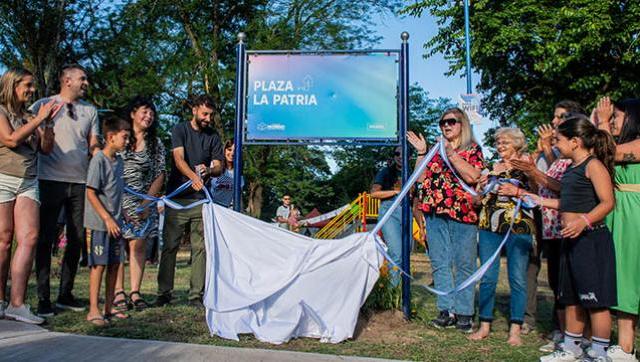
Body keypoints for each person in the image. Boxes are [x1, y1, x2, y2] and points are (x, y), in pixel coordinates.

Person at [527, 115, 617, 362]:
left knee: (596, 301)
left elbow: (608, 202)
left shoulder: (593, 165)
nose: (555, 145)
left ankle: (599, 352)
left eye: (559, 140)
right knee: (571, 298)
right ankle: (572, 348)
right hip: (571, 242)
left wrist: (583, 221)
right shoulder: (570, 168)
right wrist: (539, 200)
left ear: (575, 141)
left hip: (591, 241)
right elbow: (567, 201)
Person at [512, 100, 586, 346]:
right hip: (547, 222)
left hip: (566, 225)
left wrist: (536, 168)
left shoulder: (573, 157)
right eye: (554, 117)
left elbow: (561, 188)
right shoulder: (558, 152)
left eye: (560, 117)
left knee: (565, 282)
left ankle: (572, 335)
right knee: (556, 279)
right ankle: (563, 332)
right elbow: (544, 187)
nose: (554, 122)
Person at [32, 64, 101, 317]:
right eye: (82, 79)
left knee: (76, 238)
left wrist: (100, 155)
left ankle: (65, 294)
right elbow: (35, 138)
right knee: (45, 239)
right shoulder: (43, 103)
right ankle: (43, 298)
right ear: (67, 80)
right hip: (49, 179)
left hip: (80, 182)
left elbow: (93, 142)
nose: (86, 83)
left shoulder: (90, 111)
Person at [408, 107, 484, 333]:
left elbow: (474, 176)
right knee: (439, 263)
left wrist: (451, 155)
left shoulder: (472, 149)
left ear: (463, 124)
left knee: (464, 264)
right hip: (434, 213)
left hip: (462, 214)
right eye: (443, 123)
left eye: (451, 121)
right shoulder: (434, 151)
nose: (446, 126)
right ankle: (445, 310)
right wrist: (423, 152)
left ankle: (464, 313)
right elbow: (419, 179)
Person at [0, 68, 59, 324]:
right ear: (13, 86)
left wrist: (46, 124)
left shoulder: (30, 115)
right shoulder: (1, 111)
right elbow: (11, 140)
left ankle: (17, 304)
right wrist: (37, 120)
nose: (32, 90)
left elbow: (46, 149)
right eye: (27, 85)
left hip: (28, 181)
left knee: (30, 237)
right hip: (2, 178)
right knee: (3, 240)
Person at [468, 128, 536, 346]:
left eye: (504, 142)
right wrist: (480, 190)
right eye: (497, 142)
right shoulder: (491, 167)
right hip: (489, 225)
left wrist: (519, 189)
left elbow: (536, 193)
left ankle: (515, 329)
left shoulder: (526, 165)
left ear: (517, 143)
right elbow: (478, 200)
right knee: (487, 277)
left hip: (518, 226)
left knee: (517, 277)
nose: (500, 146)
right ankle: (484, 325)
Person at [155, 95, 223, 308]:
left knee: (200, 248)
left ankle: (196, 296)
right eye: (204, 114)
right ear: (194, 110)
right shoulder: (179, 130)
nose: (208, 119)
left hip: (200, 201)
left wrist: (209, 170)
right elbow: (178, 159)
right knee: (170, 247)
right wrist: (193, 177)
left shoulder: (213, 136)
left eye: (211, 115)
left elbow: (219, 166)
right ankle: (164, 293)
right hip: (177, 199)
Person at [594, 97, 640, 361]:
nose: (611, 121)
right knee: (622, 278)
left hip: (635, 215)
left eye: (616, 117)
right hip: (619, 214)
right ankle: (624, 347)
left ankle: (625, 348)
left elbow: (611, 153)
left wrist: (601, 122)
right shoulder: (617, 141)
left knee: (631, 274)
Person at [112, 97, 165, 312]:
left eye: (152, 113)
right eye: (144, 111)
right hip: (117, 199)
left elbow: (160, 173)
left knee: (138, 245)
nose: (148, 116)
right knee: (119, 246)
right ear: (133, 113)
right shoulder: (119, 136)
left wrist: (146, 203)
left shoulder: (156, 143)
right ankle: (118, 292)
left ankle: (135, 291)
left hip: (144, 201)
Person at [84, 116, 130, 326]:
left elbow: (117, 190)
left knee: (114, 265)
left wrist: (123, 214)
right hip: (100, 225)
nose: (127, 141)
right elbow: (91, 193)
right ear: (111, 137)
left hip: (117, 224)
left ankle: (109, 307)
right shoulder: (99, 160)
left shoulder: (119, 161)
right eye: (124, 137)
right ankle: (93, 309)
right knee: (99, 266)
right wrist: (107, 218)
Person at [370, 146, 403, 286]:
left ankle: (402, 294)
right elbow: (374, 193)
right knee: (396, 253)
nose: (400, 156)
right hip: (389, 210)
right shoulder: (386, 172)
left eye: (403, 153)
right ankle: (392, 294)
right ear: (394, 156)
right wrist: (395, 192)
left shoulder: (414, 171)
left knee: (405, 255)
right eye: (397, 153)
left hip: (406, 211)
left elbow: (415, 199)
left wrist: (420, 222)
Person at [209, 139, 242, 208]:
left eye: (235, 151)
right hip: (211, 206)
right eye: (229, 150)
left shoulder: (238, 172)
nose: (232, 153)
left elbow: (239, 196)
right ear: (224, 150)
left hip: (225, 210)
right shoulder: (214, 166)